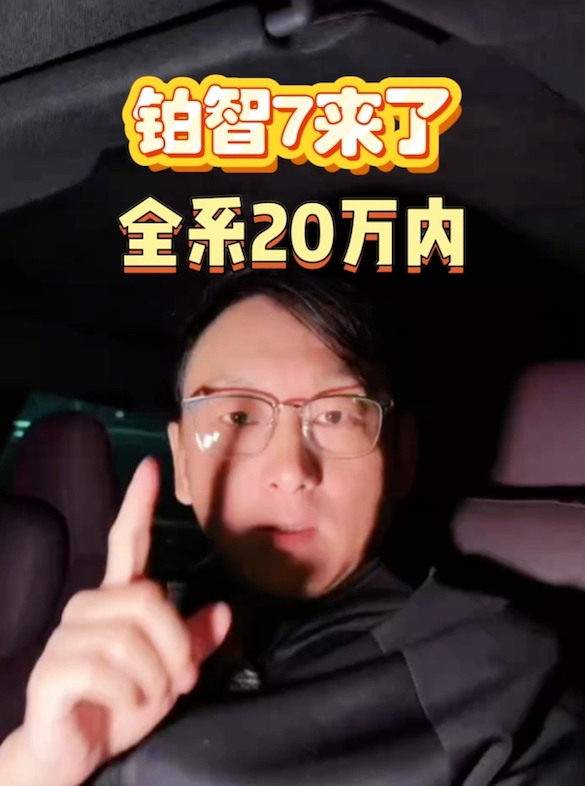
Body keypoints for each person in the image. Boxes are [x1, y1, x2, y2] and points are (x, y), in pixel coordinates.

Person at [1, 270, 584, 786]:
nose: (289, 470)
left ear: (402, 458)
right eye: (237, 416)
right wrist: (37, 766)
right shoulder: (115, 638)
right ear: (182, 463)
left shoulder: (511, 691)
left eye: (334, 415)